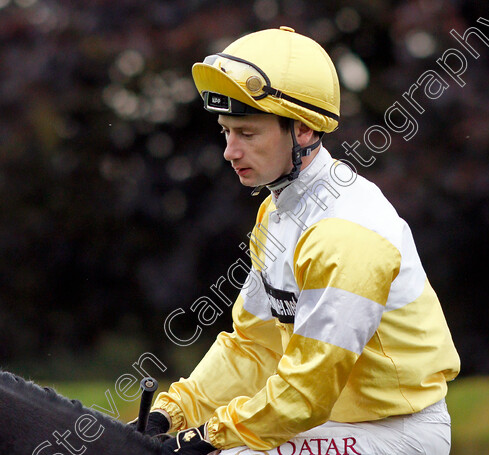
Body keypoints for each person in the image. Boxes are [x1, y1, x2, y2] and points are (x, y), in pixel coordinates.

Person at [146, 27, 461, 455]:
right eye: (226, 131)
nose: (230, 151)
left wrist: (205, 436)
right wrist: (171, 413)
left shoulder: (346, 233)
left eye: (248, 134)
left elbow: (304, 396)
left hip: (398, 433)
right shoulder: (277, 212)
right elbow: (253, 347)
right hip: (336, 424)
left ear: (304, 131)